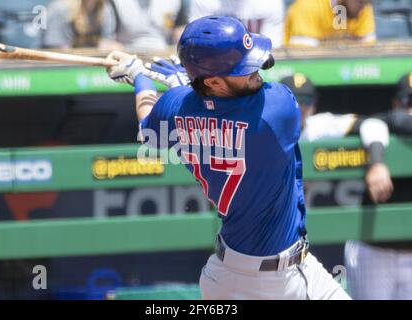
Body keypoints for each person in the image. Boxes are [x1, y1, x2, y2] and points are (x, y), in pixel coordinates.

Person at [105, 16, 350, 299]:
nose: (256, 69)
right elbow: (231, 106)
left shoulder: (176, 108)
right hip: (282, 282)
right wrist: (182, 83)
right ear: (213, 81)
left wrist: (139, 78)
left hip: (225, 277)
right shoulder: (276, 110)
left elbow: (147, 124)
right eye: (242, 67)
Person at [344, 73, 412, 300]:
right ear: (396, 102)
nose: (411, 108)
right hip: (375, 251)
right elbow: (375, 122)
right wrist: (377, 163)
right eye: (407, 101)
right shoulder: (383, 126)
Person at [280, 74, 394, 204]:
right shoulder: (264, 129)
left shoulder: (318, 126)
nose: (300, 107)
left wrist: (376, 164)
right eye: (293, 100)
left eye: (306, 101)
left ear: (314, 104)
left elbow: (373, 124)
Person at [187, 0, 285, 48]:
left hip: (256, 61)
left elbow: (271, 47)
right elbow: (197, 43)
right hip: (214, 61)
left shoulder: (271, 2)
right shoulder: (203, 2)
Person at [284, 0, 376, 47]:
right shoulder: (307, 6)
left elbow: (368, 51)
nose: (364, 6)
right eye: (360, 1)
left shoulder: (363, 8)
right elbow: (303, 56)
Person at [42, 0, 123, 49]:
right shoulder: (60, 9)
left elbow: (107, 44)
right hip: (58, 69)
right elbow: (58, 50)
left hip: (90, 68)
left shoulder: (105, 9)